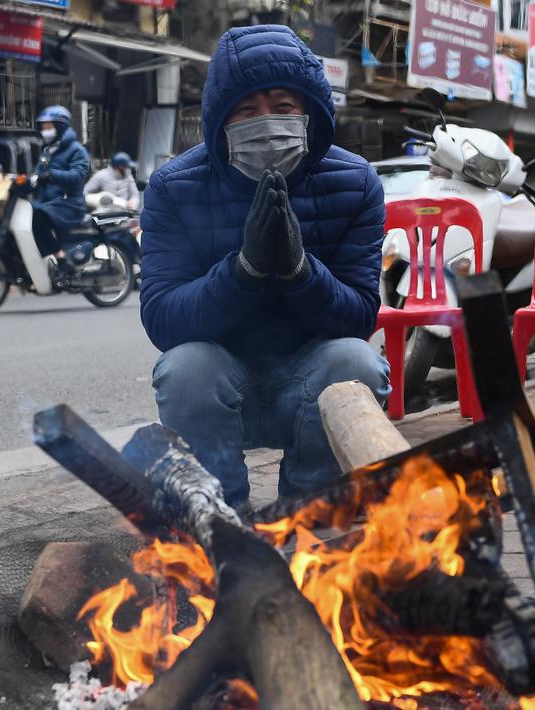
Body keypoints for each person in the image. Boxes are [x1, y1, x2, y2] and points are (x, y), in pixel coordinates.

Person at [140, 25, 390, 512]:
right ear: (219, 120)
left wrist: (300, 271)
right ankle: (223, 522)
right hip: (220, 390)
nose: (267, 121)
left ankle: (306, 517)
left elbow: (360, 317)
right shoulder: (174, 186)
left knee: (356, 362)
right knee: (184, 368)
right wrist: (243, 272)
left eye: (282, 107)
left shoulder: (356, 183)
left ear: (310, 113)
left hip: (307, 385)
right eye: (247, 110)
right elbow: (163, 318)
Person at [31, 106, 91, 273]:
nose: (45, 131)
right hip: (49, 202)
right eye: (43, 127)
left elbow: (78, 175)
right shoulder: (47, 151)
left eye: (49, 127)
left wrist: (52, 175)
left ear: (60, 127)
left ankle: (60, 256)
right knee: (28, 212)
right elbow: (37, 175)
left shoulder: (76, 150)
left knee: (38, 217)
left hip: (69, 204)